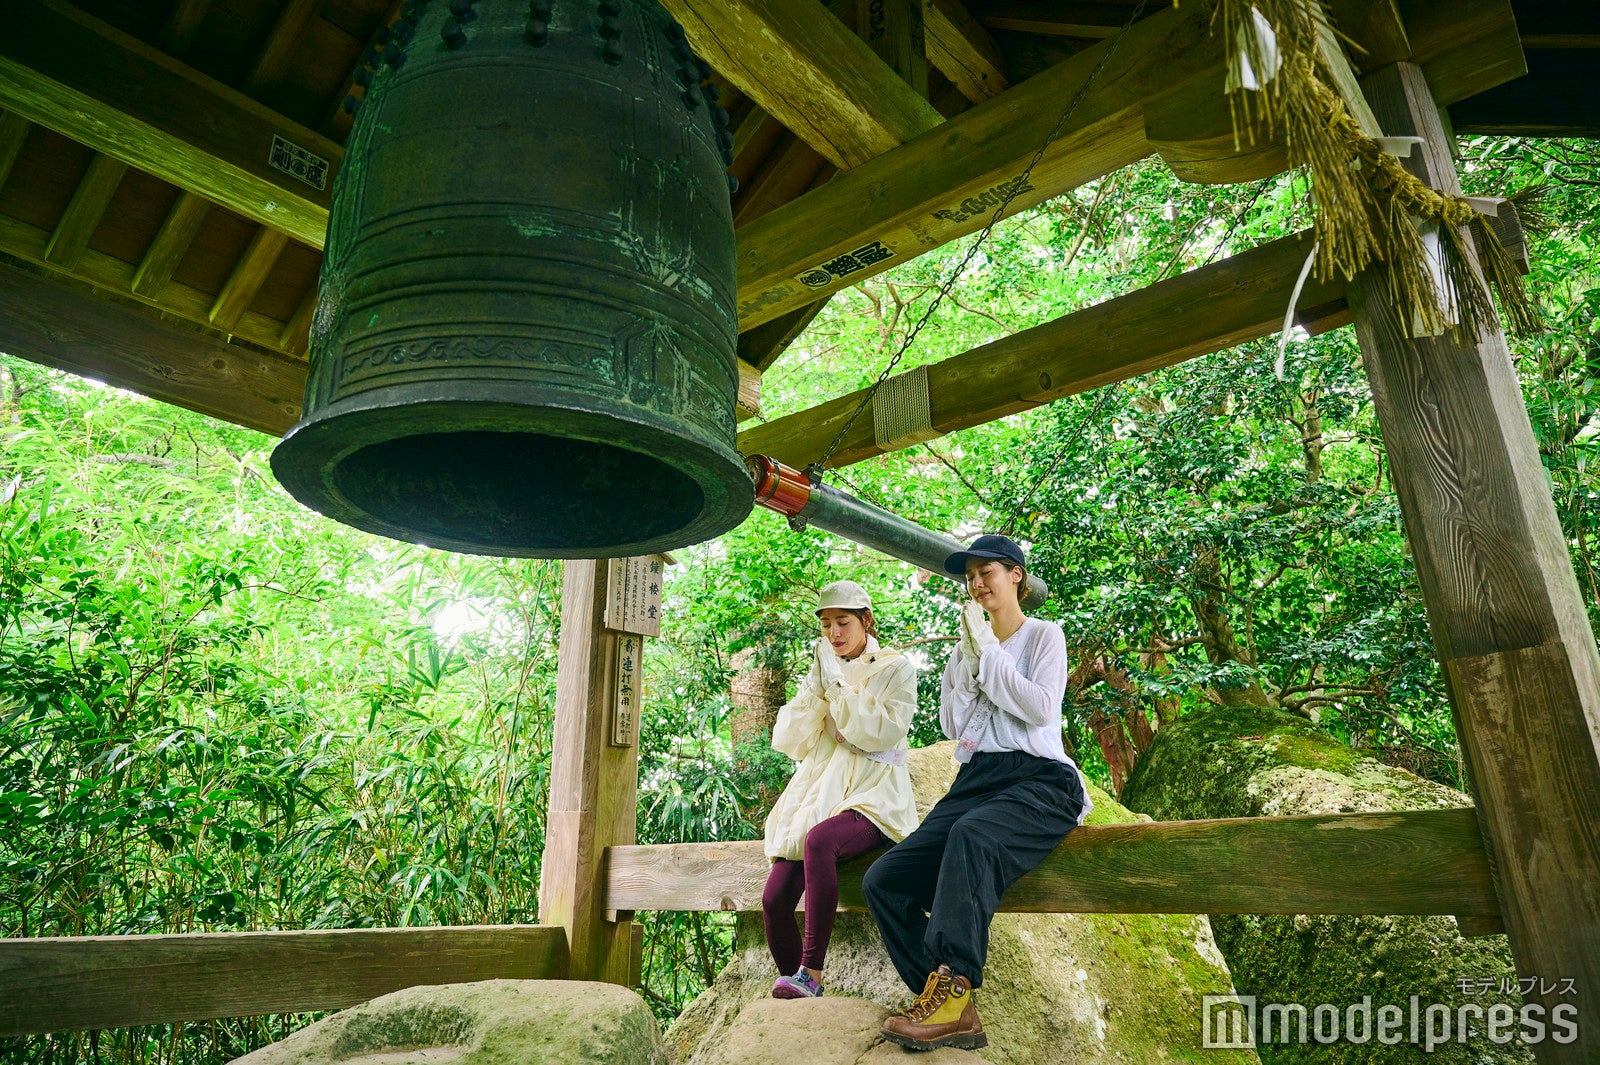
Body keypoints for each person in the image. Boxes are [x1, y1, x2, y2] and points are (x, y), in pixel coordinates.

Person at [863, 534, 1093, 1052]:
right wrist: (968, 665)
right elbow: (954, 725)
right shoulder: (964, 649)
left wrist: (988, 653)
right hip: (976, 780)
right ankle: (950, 1001)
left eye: (987, 571)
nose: (976, 582)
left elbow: (1038, 709)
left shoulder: (1043, 637)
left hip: (1038, 779)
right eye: (970, 575)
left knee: (971, 835)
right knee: (885, 880)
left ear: (1016, 576)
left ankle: (954, 986)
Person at [761, 579, 919, 1000]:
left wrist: (837, 689)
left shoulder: (894, 667)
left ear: (866, 621)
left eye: (843, 622)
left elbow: (879, 733)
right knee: (775, 897)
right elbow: (790, 742)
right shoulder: (823, 671)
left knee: (819, 841)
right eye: (827, 624)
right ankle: (800, 985)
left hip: (874, 795)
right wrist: (817, 689)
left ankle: (811, 972)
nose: (834, 633)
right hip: (821, 791)